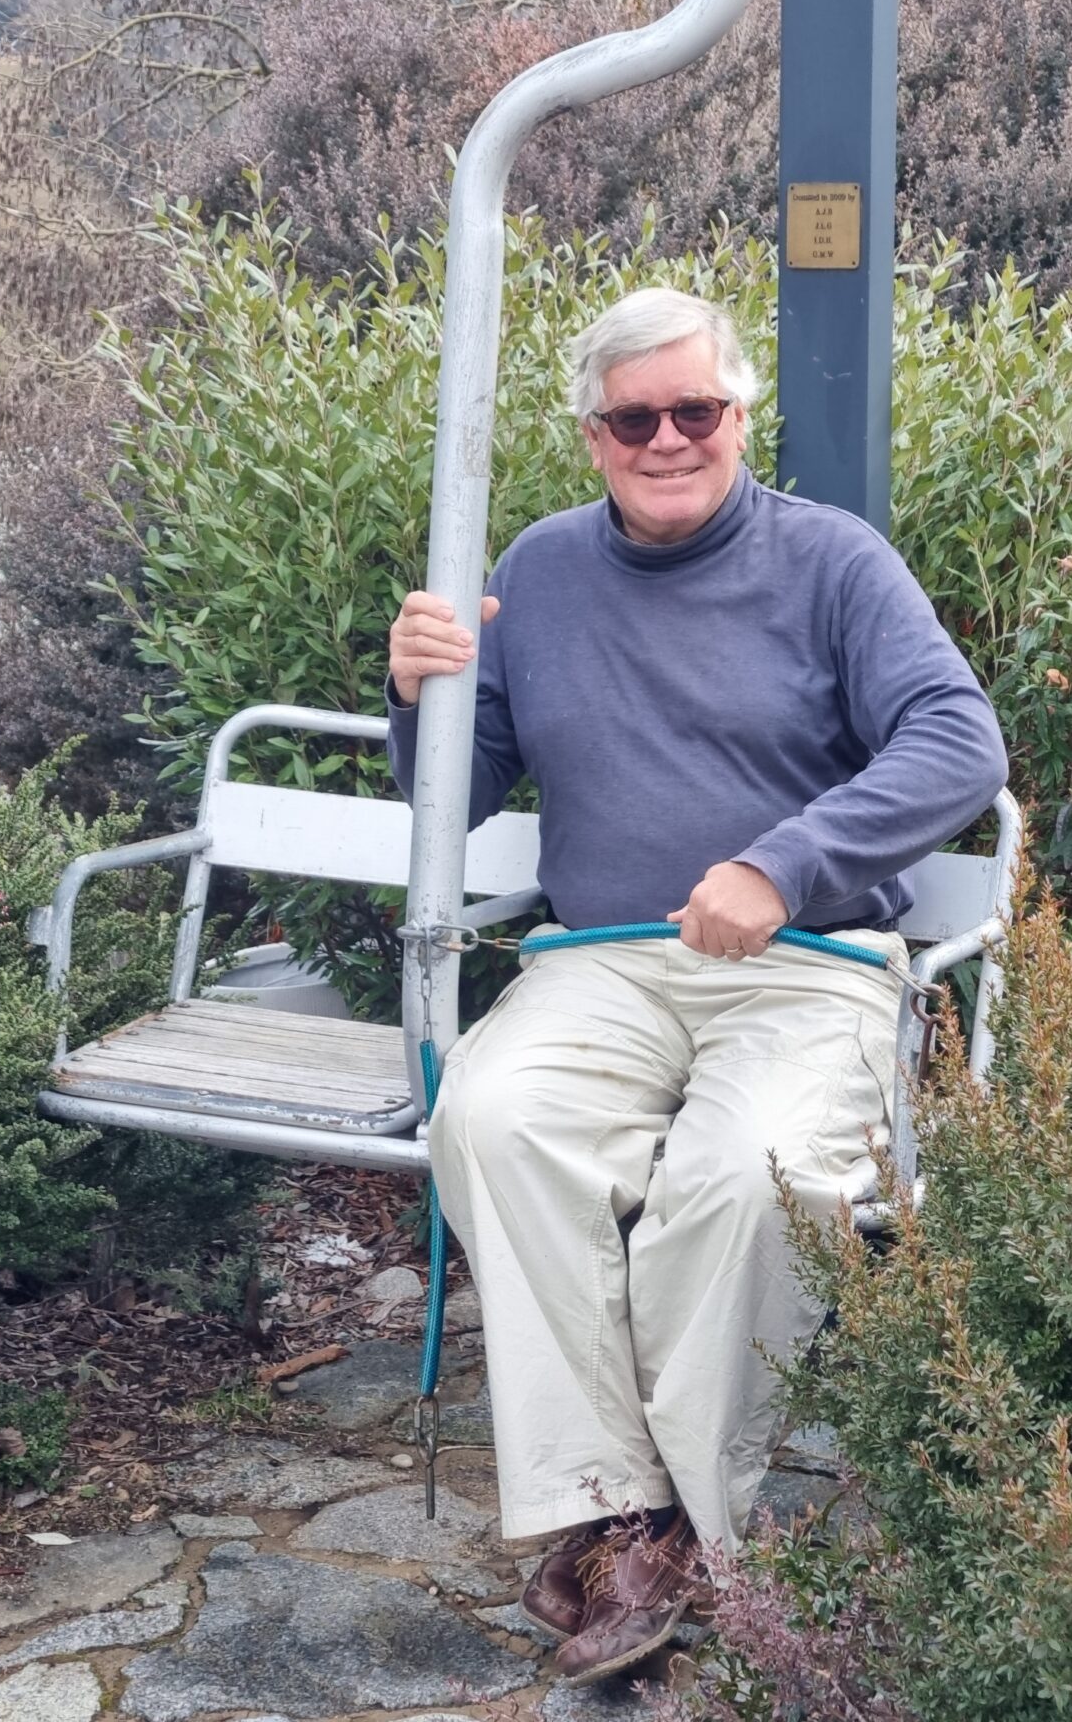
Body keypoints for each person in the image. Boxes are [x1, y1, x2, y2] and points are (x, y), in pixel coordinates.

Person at [385, 286, 1007, 1686]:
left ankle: (677, 1531)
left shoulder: (833, 563)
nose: (667, 439)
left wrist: (784, 866)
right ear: (592, 436)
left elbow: (960, 741)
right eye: (633, 420)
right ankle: (631, 1512)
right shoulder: (540, 571)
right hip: (602, 965)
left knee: (745, 1175)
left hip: (809, 969)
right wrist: (418, 698)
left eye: (695, 410)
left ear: (740, 415)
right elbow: (454, 798)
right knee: (490, 1116)